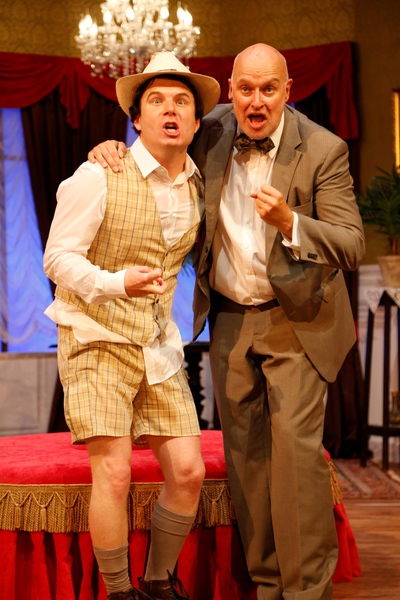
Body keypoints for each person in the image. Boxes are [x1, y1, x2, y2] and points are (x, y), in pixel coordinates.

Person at [88, 43, 365, 600]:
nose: (256, 102)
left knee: (295, 456)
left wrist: (290, 221)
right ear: (231, 89)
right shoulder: (209, 129)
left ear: (288, 91)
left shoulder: (323, 148)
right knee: (246, 460)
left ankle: (305, 590)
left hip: (298, 319)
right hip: (230, 320)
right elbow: (154, 142)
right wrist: (109, 147)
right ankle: (267, 583)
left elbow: (352, 245)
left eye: (269, 90)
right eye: (246, 89)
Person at [44, 52, 220, 600]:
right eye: (157, 101)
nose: (170, 110)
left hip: (156, 343)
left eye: (182, 102)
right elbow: (57, 259)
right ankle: (120, 592)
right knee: (114, 473)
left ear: (196, 122)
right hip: (94, 337)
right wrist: (116, 282)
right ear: (136, 119)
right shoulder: (99, 174)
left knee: (188, 472)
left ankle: (158, 582)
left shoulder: (199, 185)